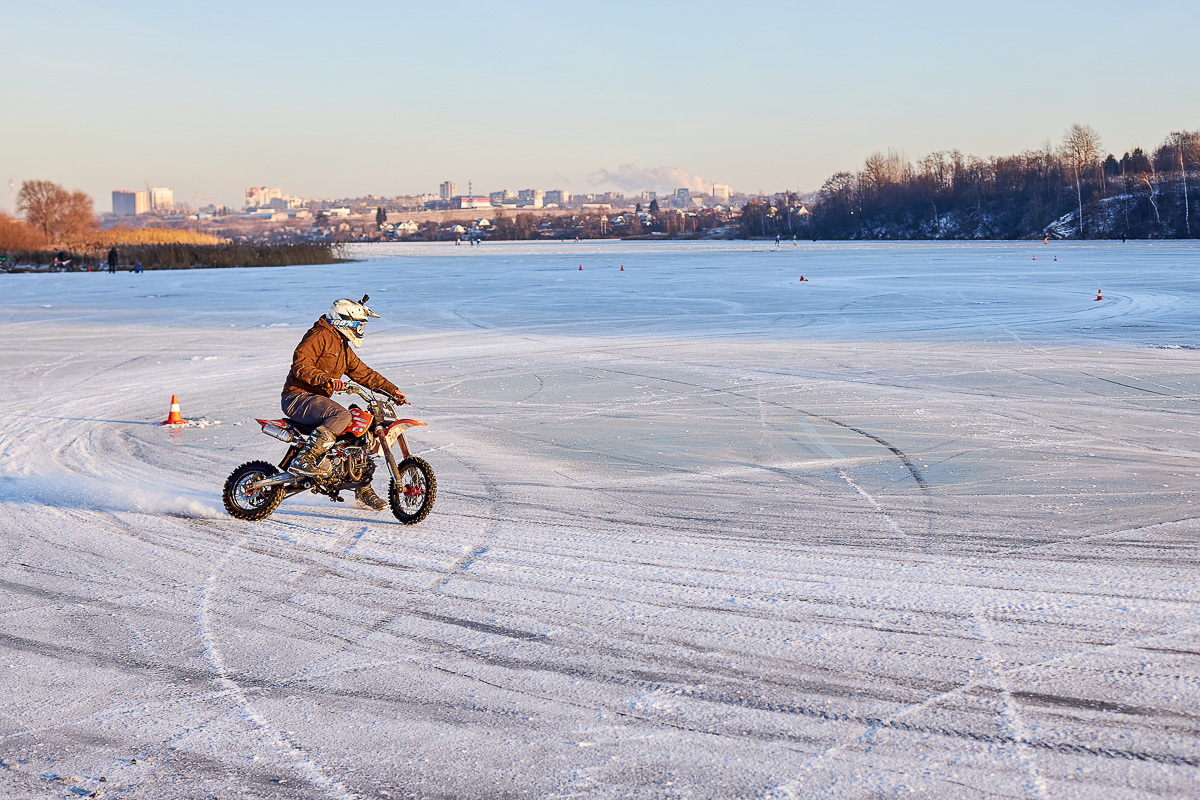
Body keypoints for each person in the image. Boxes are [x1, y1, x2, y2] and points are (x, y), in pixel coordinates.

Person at [281, 296, 406, 510]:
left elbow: (363, 372)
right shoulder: (319, 335)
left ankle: (362, 487)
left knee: (361, 426)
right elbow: (300, 365)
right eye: (358, 323)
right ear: (343, 320)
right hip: (297, 397)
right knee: (342, 416)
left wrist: (391, 389)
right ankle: (304, 460)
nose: (360, 328)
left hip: (316, 401)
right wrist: (326, 379)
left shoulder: (342, 346)